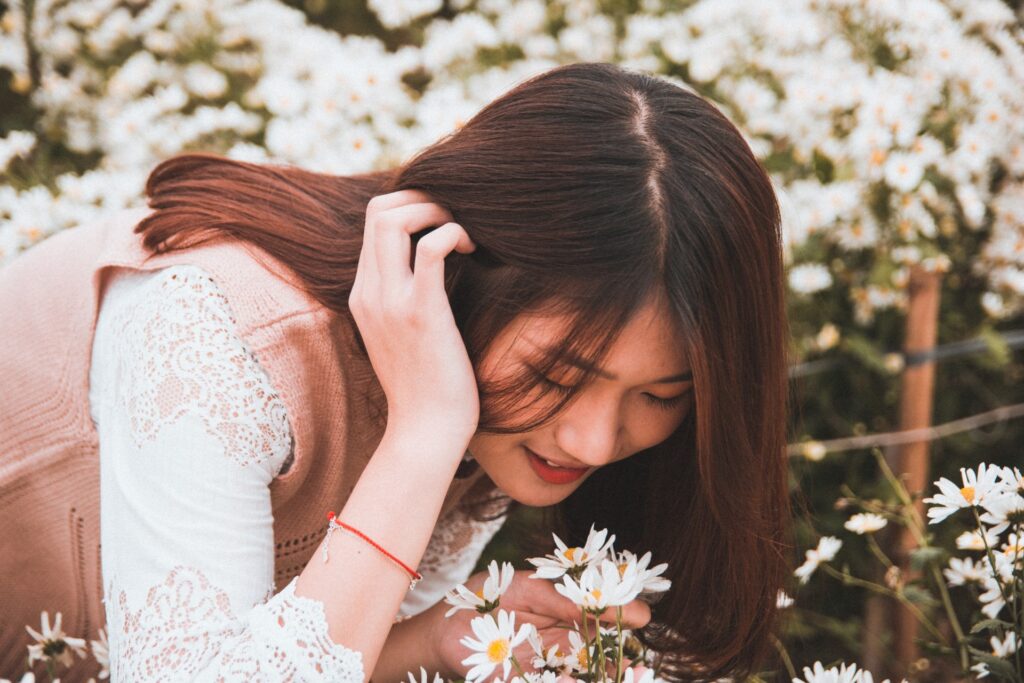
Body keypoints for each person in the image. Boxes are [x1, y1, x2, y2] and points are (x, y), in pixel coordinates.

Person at [0, 61, 790, 681]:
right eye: (556, 373)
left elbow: (307, 650)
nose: (590, 437)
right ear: (468, 274)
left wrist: (437, 639)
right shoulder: (219, 334)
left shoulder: (483, 406)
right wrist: (424, 434)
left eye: (661, 395)